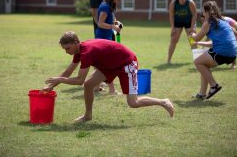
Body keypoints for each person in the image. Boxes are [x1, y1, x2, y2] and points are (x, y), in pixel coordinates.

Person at [43, 31, 174, 123]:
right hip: (110, 65)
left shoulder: (86, 52)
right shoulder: (79, 50)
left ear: (76, 42)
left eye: (68, 48)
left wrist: (59, 80)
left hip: (126, 63)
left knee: (133, 103)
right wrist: (51, 86)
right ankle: (88, 116)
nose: (67, 52)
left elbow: (79, 81)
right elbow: (68, 72)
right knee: (89, 85)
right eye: (65, 49)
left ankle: (163, 102)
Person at [189, 1, 237, 100]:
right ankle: (202, 94)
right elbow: (215, 43)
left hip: (223, 52)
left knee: (197, 62)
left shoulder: (208, 22)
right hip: (233, 53)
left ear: (207, 12)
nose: (203, 14)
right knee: (204, 65)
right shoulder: (222, 21)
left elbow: (196, 38)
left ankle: (214, 86)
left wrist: (192, 33)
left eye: (203, 12)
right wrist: (199, 43)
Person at [94, 0, 126, 95]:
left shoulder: (112, 6)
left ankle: (96, 86)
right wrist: (113, 27)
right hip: (102, 39)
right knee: (109, 64)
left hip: (108, 38)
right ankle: (112, 90)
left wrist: (117, 23)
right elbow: (100, 23)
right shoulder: (105, 7)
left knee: (101, 64)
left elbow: (112, 19)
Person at [167, 0, 197, 64]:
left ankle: (197, 60)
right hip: (178, 22)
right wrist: (172, 28)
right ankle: (168, 60)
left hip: (189, 22)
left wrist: (192, 27)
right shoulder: (173, 3)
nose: (183, 0)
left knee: (192, 41)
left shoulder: (190, 3)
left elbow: (194, 15)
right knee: (173, 40)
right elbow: (171, 16)